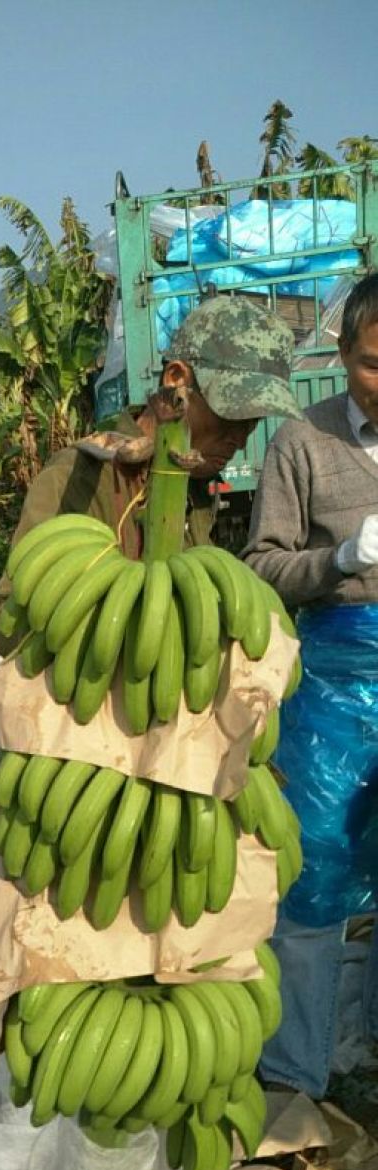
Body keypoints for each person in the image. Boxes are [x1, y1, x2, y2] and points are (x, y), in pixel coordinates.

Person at [242, 270, 378, 1100]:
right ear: (343, 355)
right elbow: (260, 566)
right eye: (373, 363)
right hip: (336, 682)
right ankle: (297, 1072)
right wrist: (340, 559)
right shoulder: (303, 440)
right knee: (314, 871)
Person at [0, 294, 301, 652]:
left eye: (252, 424)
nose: (240, 442)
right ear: (175, 379)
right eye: (230, 416)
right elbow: (8, 625)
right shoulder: (79, 476)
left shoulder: (195, 487)